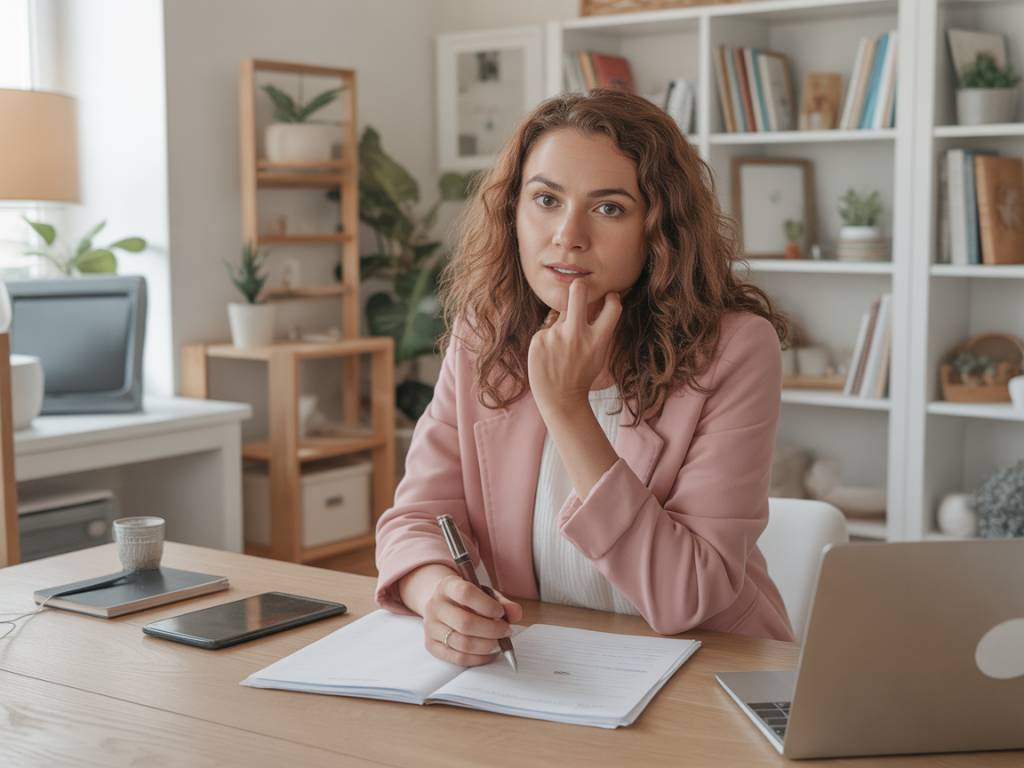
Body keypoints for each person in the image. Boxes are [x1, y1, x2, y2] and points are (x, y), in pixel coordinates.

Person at [374, 89, 795, 667]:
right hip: (547, 665)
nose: (568, 235)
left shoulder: (735, 349)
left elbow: (688, 594)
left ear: (659, 229)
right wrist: (436, 593)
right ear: (513, 211)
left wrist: (567, 407)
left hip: (708, 666)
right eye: (546, 199)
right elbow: (418, 518)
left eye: (609, 208)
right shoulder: (485, 332)